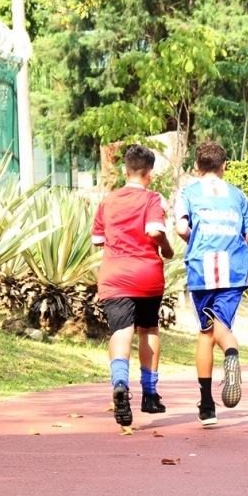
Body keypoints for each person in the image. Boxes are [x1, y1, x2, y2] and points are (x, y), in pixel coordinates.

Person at [174, 141, 248, 426]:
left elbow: (181, 228)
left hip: (201, 268)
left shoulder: (187, 193)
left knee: (205, 332)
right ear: (224, 166)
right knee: (221, 326)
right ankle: (232, 353)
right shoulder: (238, 195)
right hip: (233, 270)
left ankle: (207, 405)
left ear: (197, 167)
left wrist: (195, 238)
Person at [92, 144, 175, 427]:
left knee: (121, 330)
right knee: (148, 328)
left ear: (125, 171)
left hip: (114, 275)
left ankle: (119, 383)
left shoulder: (108, 200)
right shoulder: (153, 199)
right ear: (149, 173)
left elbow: (98, 240)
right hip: (147, 275)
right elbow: (154, 231)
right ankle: (150, 395)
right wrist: (167, 248)